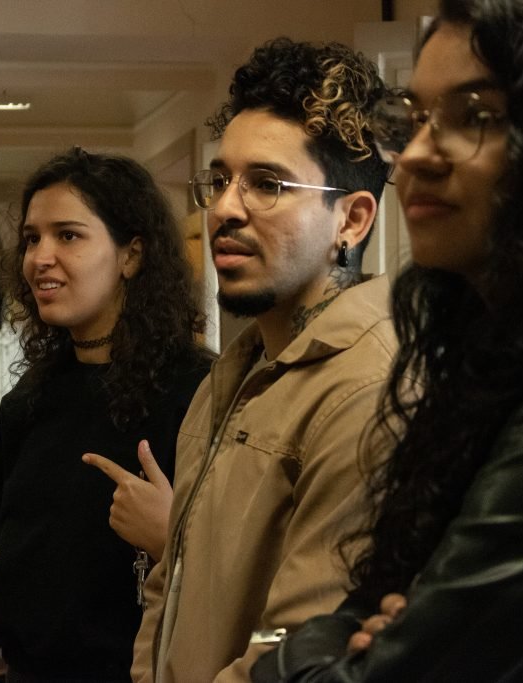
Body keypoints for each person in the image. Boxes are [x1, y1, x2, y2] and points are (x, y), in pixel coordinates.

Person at [251, 1, 523, 681]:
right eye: (415, 119)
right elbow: (369, 605)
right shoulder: (496, 359)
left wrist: (296, 658)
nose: (414, 155)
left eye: (477, 117)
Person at [131, 38, 395, 682]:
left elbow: (301, 648)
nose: (224, 207)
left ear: (352, 221)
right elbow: (171, 590)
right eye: (220, 180)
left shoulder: (367, 385)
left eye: (268, 184)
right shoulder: (231, 374)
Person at [0, 147, 213, 681]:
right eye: (32, 238)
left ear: (132, 255)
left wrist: (174, 535)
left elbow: (241, 588)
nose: (39, 257)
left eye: (68, 235)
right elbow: (18, 594)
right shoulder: (27, 404)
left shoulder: (199, 391)